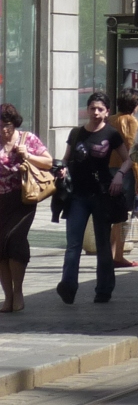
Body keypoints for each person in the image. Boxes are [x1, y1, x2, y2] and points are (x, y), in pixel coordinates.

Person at [57, 92, 130, 305]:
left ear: (107, 112)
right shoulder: (76, 133)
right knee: (73, 244)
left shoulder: (111, 134)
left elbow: (127, 160)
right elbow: (66, 159)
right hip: (77, 195)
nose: (96, 112)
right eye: (92, 108)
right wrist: (62, 171)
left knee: (103, 244)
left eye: (100, 109)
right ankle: (68, 287)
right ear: (87, 110)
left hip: (102, 194)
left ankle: (104, 290)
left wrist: (119, 175)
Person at [0, 104, 52, 313]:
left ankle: (19, 291)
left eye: (8, 126)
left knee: (15, 241)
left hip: (22, 199)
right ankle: (8, 296)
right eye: (1, 126)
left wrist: (27, 156)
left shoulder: (27, 139)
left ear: (15, 124)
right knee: (0, 247)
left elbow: (48, 162)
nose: (4, 130)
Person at [109, 88, 138, 268]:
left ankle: (110, 253)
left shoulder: (111, 119)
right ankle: (119, 255)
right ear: (134, 105)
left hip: (108, 169)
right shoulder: (131, 121)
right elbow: (133, 152)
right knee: (123, 215)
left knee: (112, 214)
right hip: (124, 172)